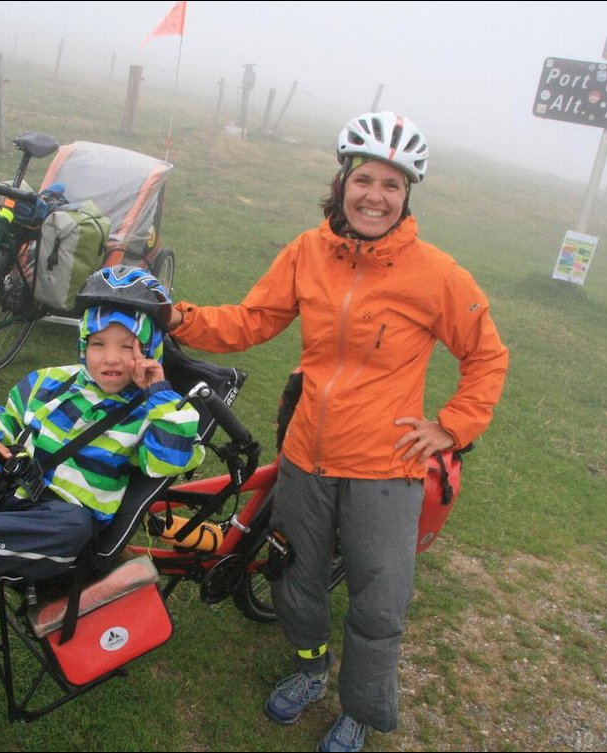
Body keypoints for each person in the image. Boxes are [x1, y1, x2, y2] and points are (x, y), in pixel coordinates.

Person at [166, 112, 509, 752]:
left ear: (408, 197)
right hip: (306, 456)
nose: (375, 196)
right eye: (365, 179)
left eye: (393, 185)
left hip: (387, 468)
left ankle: (360, 709)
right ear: (343, 180)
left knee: (379, 605)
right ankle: (309, 668)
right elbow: (250, 321)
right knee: (294, 581)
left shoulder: (435, 273)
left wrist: (451, 427)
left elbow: (487, 355)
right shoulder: (307, 251)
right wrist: (174, 316)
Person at [0, 265, 205, 579]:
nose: (111, 358)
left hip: (56, 514)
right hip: (7, 478)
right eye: (98, 344)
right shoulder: (51, 380)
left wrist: (159, 392)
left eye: (127, 346)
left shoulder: (156, 410)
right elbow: (7, 416)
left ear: (150, 350)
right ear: (83, 345)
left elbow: (165, 461)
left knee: (72, 530)